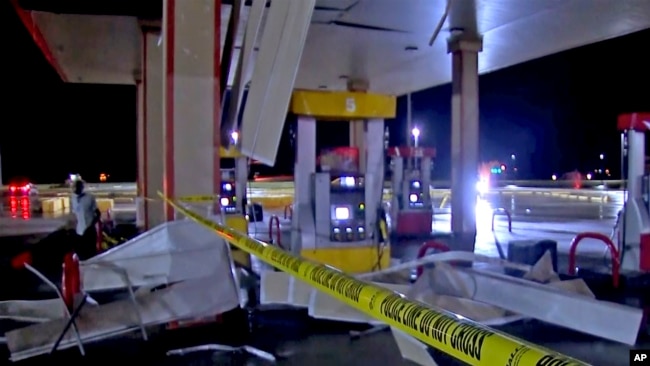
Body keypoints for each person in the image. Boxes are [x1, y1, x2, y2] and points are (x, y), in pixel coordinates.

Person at [70, 180, 101, 260]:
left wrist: (92, 225)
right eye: (76, 187)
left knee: (92, 254)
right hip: (79, 232)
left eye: (80, 187)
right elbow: (75, 214)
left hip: (90, 231)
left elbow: (98, 213)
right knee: (82, 255)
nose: (77, 189)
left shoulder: (90, 197)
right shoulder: (73, 198)